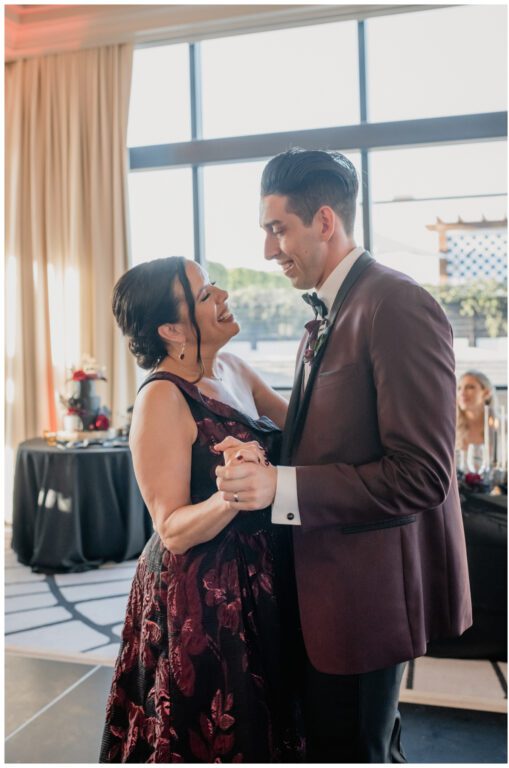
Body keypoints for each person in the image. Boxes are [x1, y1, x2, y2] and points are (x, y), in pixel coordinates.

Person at [213, 149, 472, 762]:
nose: (269, 250)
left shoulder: (396, 305)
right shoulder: (336, 309)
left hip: (367, 601)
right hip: (328, 591)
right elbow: (332, 432)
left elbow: (424, 475)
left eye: (278, 229)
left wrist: (283, 487)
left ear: (324, 221)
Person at [100, 257, 302, 762]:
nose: (223, 294)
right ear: (171, 329)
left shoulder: (234, 368)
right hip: (203, 601)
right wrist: (231, 491)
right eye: (205, 293)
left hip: (265, 576)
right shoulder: (162, 399)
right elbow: (170, 529)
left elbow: (306, 429)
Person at [456, 370, 493, 452]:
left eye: (470, 387)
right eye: (459, 388)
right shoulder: (450, 427)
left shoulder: (502, 427)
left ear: (486, 393)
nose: (462, 393)